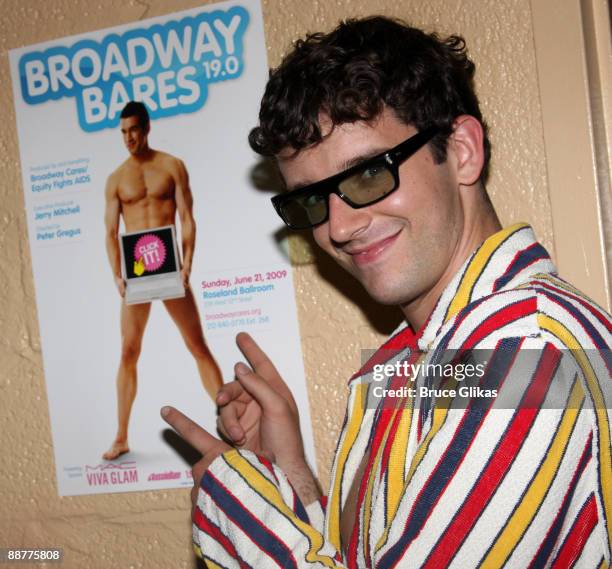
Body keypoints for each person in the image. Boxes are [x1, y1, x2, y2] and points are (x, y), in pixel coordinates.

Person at [161, 17, 611, 567]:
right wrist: (292, 478)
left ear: (463, 150)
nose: (340, 228)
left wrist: (239, 507)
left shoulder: (527, 351)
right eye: (311, 201)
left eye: (369, 174)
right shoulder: (408, 361)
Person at [103, 101, 222, 461]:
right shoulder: (116, 178)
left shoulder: (171, 166)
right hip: (138, 269)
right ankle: (122, 437)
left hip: (169, 265)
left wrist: (187, 265)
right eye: (123, 132)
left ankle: (230, 423)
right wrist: (117, 277)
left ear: (147, 128)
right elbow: (110, 231)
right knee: (128, 351)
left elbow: (187, 217)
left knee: (197, 344)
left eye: (134, 130)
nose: (129, 138)